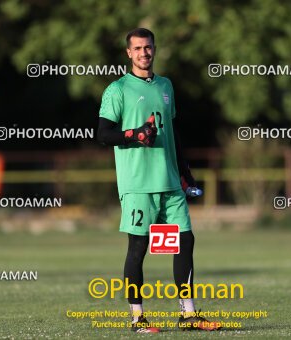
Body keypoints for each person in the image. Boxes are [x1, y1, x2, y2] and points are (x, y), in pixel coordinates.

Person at [97, 28, 221, 333]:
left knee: (185, 241)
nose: (143, 53)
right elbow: (102, 134)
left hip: (169, 182)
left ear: (155, 49)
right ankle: (138, 319)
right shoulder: (118, 89)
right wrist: (135, 134)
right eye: (137, 48)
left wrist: (185, 170)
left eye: (148, 47)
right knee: (139, 248)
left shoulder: (166, 85)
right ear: (128, 53)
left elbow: (172, 132)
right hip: (138, 184)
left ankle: (188, 315)